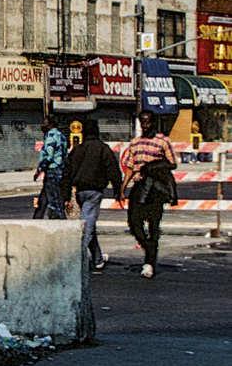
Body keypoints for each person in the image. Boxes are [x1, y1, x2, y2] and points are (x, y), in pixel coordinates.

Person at [121, 111, 179, 279]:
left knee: (154, 226)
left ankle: (149, 262)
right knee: (134, 223)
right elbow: (131, 167)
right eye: (143, 122)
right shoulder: (135, 143)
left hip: (155, 188)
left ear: (153, 122)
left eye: (148, 122)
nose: (145, 125)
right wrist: (123, 188)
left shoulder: (163, 141)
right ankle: (149, 248)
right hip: (139, 186)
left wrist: (153, 166)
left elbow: (172, 163)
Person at [63, 120, 122, 271]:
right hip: (95, 192)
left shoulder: (77, 150)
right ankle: (77, 258)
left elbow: (66, 173)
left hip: (80, 191)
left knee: (88, 224)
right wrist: (117, 189)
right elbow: (113, 170)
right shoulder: (103, 149)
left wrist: (65, 195)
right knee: (87, 226)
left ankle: (97, 259)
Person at [32, 117, 67, 219]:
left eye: (45, 123)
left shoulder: (51, 136)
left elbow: (49, 156)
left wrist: (39, 170)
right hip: (60, 170)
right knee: (44, 199)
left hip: (53, 170)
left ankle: (59, 222)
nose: (42, 125)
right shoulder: (62, 136)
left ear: (51, 124)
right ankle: (37, 220)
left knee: (54, 201)